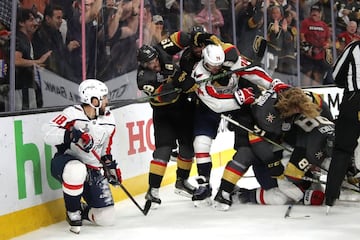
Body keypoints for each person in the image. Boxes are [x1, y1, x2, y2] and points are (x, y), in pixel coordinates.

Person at [42, 79, 122, 234]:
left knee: (106, 219)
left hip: (92, 170)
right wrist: (70, 134)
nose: (107, 100)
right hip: (65, 162)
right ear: (93, 100)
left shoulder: (109, 119)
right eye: (103, 97)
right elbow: (46, 132)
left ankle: (83, 210)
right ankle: (73, 212)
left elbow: (105, 150)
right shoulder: (72, 114)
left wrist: (109, 167)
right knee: (76, 169)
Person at [136, 44, 198, 208]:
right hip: (163, 115)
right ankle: (153, 190)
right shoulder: (143, 78)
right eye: (149, 63)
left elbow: (179, 73)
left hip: (182, 109)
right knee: (163, 150)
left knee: (187, 146)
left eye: (155, 59)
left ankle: (182, 182)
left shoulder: (164, 58)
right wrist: (175, 83)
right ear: (143, 64)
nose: (154, 64)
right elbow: (164, 96)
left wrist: (184, 81)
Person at [325, 40, 360, 212]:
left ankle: (330, 198)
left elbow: (337, 74)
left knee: (342, 150)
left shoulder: (354, 47)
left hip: (353, 100)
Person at [15, 8, 52, 110]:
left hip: (27, 87)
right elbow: (16, 60)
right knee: (20, 121)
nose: (35, 23)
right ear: (21, 23)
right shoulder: (18, 39)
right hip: (21, 88)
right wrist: (37, 61)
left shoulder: (25, 39)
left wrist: (36, 65)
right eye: (31, 20)